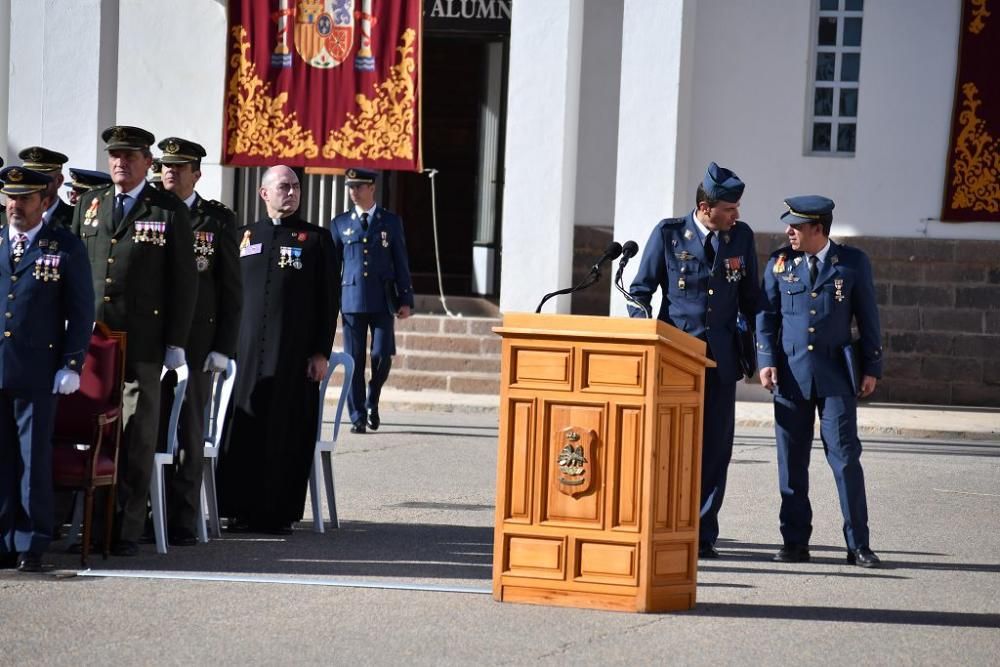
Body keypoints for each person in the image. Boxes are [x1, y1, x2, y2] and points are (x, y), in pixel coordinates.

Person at [70, 125, 198, 557]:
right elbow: (75, 273)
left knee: (134, 437)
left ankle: (123, 529)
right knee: (92, 434)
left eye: (130, 155)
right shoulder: (91, 204)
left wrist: (175, 342)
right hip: (93, 346)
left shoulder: (166, 210)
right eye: (115, 155)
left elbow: (184, 283)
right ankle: (90, 527)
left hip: (142, 344)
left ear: (148, 162)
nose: (120, 162)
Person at [628, 162, 759, 560]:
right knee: (669, 446)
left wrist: (767, 349)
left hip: (721, 360)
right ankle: (663, 523)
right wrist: (645, 335)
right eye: (730, 208)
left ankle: (703, 532)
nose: (737, 214)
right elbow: (640, 291)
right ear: (705, 207)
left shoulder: (741, 238)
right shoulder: (668, 234)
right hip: (676, 358)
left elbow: (753, 300)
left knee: (716, 449)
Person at [757, 195, 883, 568]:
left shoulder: (853, 263)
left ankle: (858, 544)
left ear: (818, 229)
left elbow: (868, 316)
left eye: (795, 226)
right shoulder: (780, 263)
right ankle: (795, 542)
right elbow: (766, 315)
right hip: (791, 377)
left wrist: (872, 367)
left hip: (835, 378)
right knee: (791, 463)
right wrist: (766, 360)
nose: (788, 232)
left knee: (845, 460)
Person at [216, 165, 339, 534]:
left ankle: (277, 512)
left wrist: (321, 352)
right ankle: (238, 507)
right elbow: (229, 296)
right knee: (245, 429)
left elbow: (328, 300)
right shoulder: (243, 236)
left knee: (286, 431)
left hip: (293, 356)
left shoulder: (316, 240)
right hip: (247, 355)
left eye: (296, 187)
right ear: (264, 193)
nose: (292, 192)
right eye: (284, 186)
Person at [0, 167, 94, 572]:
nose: (14, 206)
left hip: (38, 370)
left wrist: (72, 363)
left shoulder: (65, 246)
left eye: (23, 199)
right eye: (9, 198)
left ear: (43, 201)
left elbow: (81, 308)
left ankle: (31, 542)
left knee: (32, 459)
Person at [155, 136, 242, 545]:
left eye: (179, 167)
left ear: (196, 174)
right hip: (152, 339)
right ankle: (140, 516)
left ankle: (183, 519)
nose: (170, 172)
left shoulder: (216, 221)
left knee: (188, 432)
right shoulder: (148, 212)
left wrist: (223, 347)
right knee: (148, 428)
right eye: (165, 166)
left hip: (197, 344)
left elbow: (231, 290)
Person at [330, 168, 414, 434]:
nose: (354, 192)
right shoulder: (340, 223)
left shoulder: (390, 221)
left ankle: (372, 397)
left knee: (381, 354)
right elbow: (333, 267)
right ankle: (356, 416)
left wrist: (405, 298)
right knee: (354, 359)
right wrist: (329, 301)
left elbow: (400, 261)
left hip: (383, 299)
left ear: (372, 188)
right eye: (350, 187)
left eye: (359, 187)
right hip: (352, 299)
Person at [19, 146, 74, 229]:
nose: (34, 184)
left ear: (58, 180)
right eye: (29, 177)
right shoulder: (11, 217)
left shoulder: (75, 218)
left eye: (41, 178)